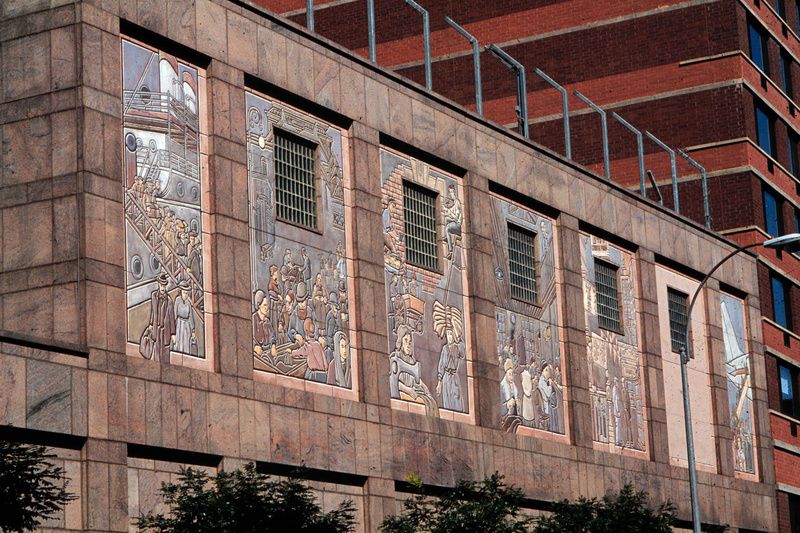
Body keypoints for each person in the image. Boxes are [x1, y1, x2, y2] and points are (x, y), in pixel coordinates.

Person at [144, 273, 176, 363]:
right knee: (156, 351)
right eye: (161, 285)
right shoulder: (154, 296)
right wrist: (150, 324)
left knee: (165, 351)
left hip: (165, 329)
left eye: (164, 285)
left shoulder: (169, 300)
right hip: (156, 328)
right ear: (158, 284)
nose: (162, 287)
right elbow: (153, 312)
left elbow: (172, 317)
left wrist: (173, 333)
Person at [436, 325, 465, 412]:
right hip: (446, 378)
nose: (449, 336)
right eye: (448, 334)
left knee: (457, 399)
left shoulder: (457, 347)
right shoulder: (444, 349)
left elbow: (462, 353)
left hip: (454, 377)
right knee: (447, 400)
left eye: (451, 334)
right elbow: (441, 365)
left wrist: (459, 338)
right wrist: (439, 383)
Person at [173, 280, 196, 355]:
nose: (185, 295)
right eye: (184, 293)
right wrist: (173, 332)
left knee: (186, 344)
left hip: (186, 326)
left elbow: (191, 316)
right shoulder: (177, 300)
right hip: (179, 325)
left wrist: (193, 330)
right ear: (181, 292)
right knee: (178, 344)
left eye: (187, 293)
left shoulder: (188, 303)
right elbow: (174, 314)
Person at [442, 184, 462, 260]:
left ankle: (450, 251)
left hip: (458, 225)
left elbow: (456, 217)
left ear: (454, 192)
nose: (451, 195)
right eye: (450, 193)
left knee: (447, 228)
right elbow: (451, 214)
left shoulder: (457, 203)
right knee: (446, 219)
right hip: (455, 223)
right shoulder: (453, 204)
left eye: (452, 193)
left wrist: (450, 216)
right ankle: (447, 237)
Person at [252, 289, 274, 357]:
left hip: (267, 352)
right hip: (258, 355)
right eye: (264, 305)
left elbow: (272, 336)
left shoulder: (267, 321)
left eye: (267, 305)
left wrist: (273, 345)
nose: (266, 308)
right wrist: (254, 347)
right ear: (259, 305)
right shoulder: (253, 319)